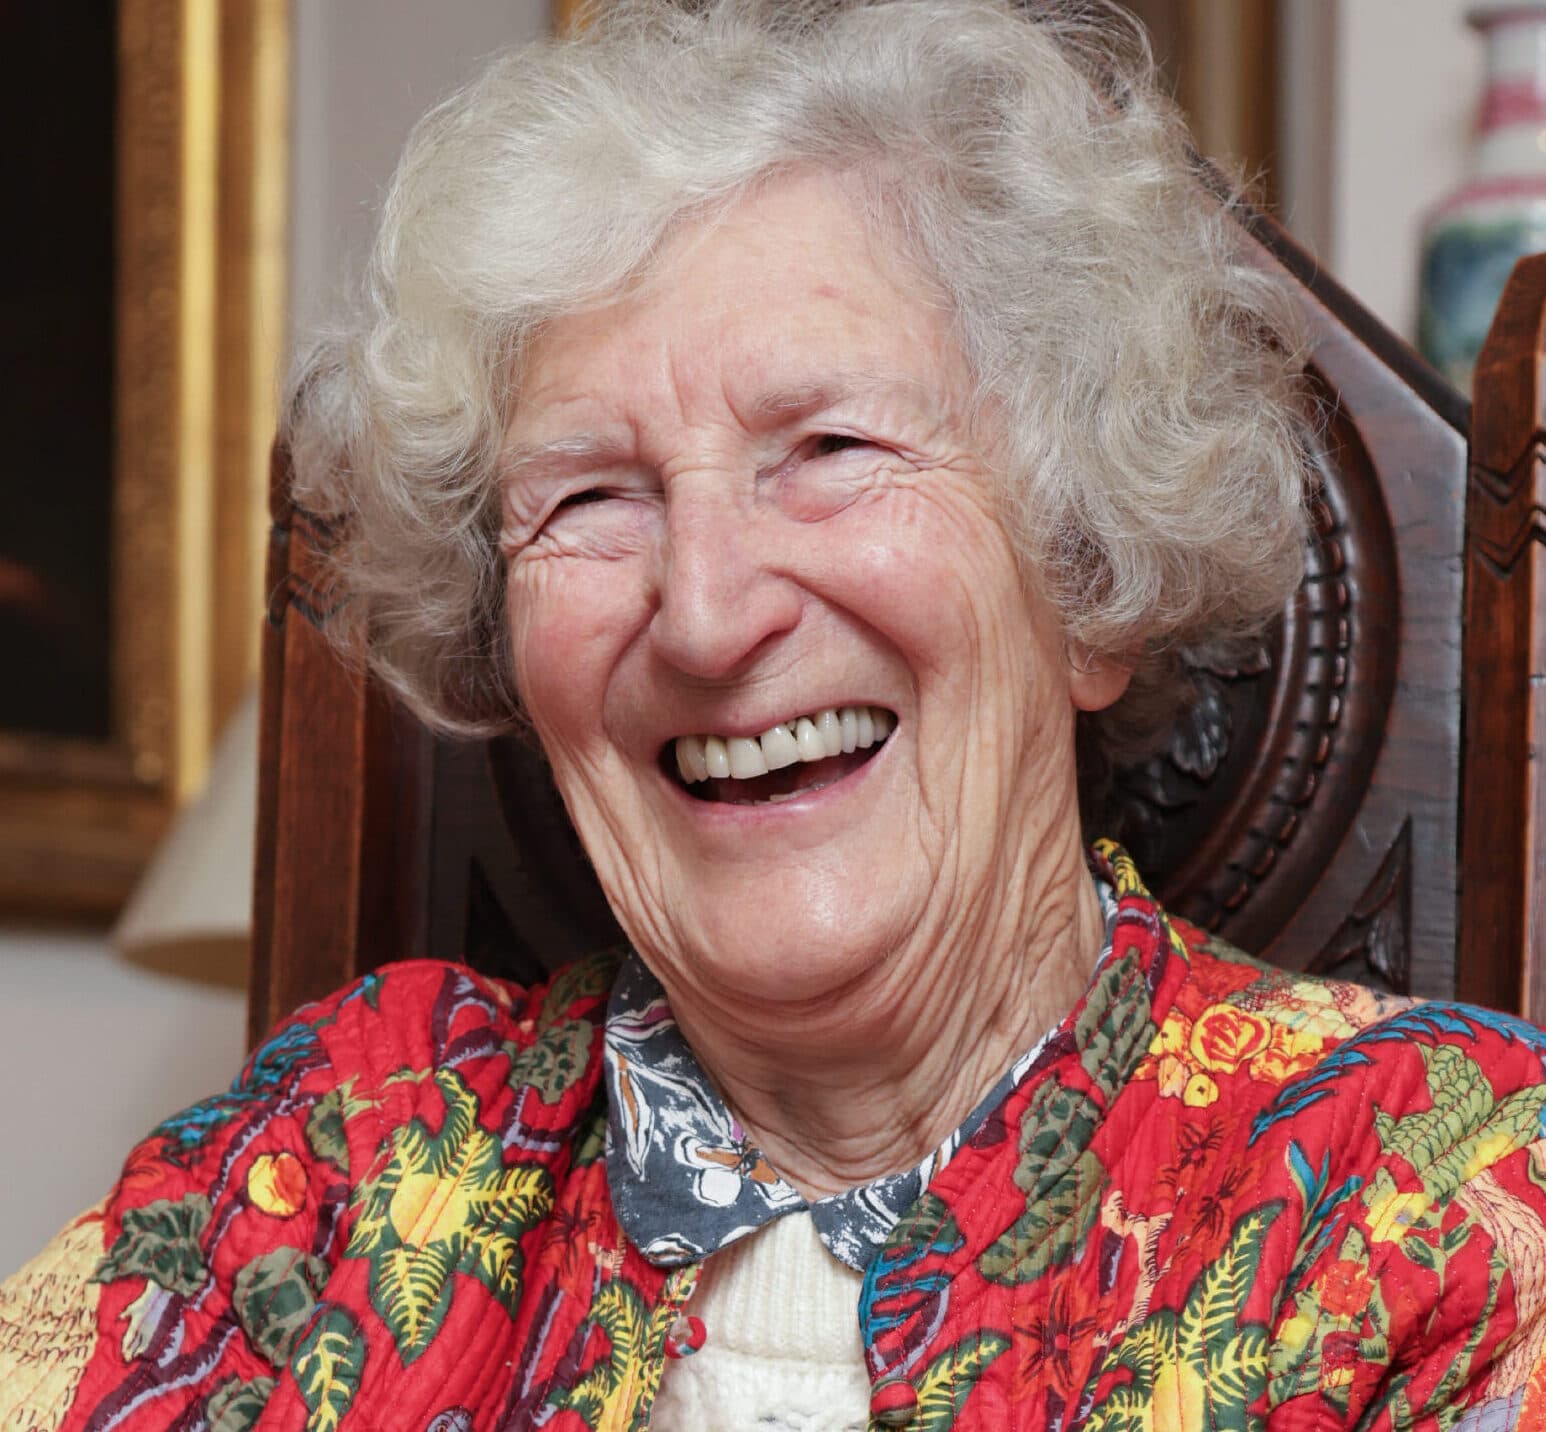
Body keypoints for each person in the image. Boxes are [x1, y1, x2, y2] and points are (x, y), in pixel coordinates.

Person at [6, 1, 1546, 1428]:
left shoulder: (1428, 1199)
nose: (706, 610)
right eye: (590, 498)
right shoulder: (331, 1171)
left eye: (827, 446)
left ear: (1083, 576)